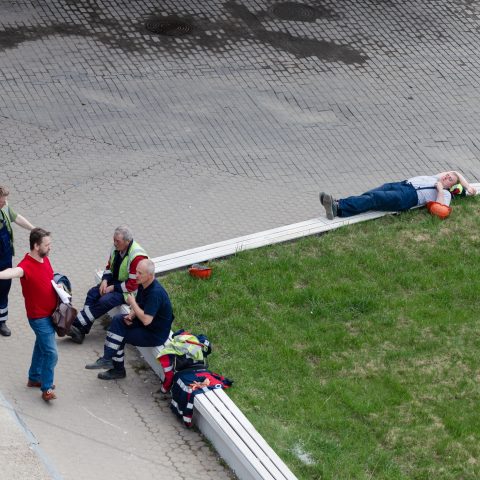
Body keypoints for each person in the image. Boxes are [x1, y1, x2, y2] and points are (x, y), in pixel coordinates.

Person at [85, 259, 174, 380]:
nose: (136, 275)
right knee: (118, 320)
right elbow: (140, 304)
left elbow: (146, 319)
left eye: (140, 273)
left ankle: (117, 369)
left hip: (155, 333)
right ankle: (108, 359)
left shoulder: (155, 293)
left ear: (150, 275)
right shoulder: (144, 284)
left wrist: (132, 303)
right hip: (146, 324)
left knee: (119, 335)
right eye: (136, 271)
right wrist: (131, 315)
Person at [0, 228, 58, 401]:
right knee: (52, 352)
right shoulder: (25, 266)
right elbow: (13, 272)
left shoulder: (44, 259)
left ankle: (34, 378)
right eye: (47, 245)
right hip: (39, 317)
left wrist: (57, 287)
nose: (50, 248)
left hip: (51, 313)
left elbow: (49, 278)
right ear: (36, 246)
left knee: (41, 346)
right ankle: (46, 388)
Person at [68, 226, 148, 344]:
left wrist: (112, 288)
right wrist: (105, 280)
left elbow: (133, 284)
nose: (114, 243)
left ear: (127, 241)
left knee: (105, 301)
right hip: (116, 282)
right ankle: (81, 330)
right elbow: (109, 267)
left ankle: (77, 324)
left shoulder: (137, 256)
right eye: (114, 240)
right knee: (92, 293)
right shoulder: (117, 248)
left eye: (117, 241)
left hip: (130, 292)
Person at [320, 171, 477, 219]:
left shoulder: (446, 194)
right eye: (447, 175)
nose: (446, 177)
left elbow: (440, 209)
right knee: (371, 195)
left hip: (408, 197)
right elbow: (456, 171)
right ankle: (339, 207)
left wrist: (440, 190)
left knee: (375, 199)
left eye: (450, 179)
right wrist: (467, 185)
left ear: (452, 185)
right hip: (401, 184)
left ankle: (338, 206)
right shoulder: (437, 177)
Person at [0, 186, 35, 337]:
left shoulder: (5, 208)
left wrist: (33, 229)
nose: (5, 202)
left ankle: (1, 321)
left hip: (5, 256)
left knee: (3, 288)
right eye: (2, 200)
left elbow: (17, 217)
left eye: (5, 199)